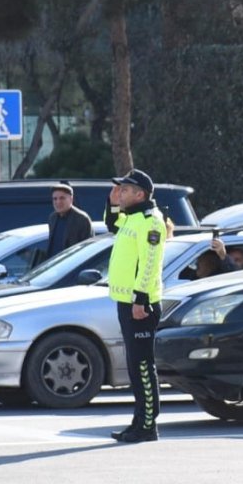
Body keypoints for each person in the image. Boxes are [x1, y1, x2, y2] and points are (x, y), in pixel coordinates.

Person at [106, 169, 167, 444]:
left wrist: (140, 300)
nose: (122, 194)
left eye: (126, 190)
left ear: (140, 194)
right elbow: (111, 224)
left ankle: (148, 425)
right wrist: (111, 201)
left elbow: (150, 264)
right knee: (134, 364)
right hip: (126, 302)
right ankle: (139, 421)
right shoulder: (131, 218)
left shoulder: (150, 222)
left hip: (140, 304)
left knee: (143, 365)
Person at [46, 183, 94, 259]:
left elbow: (87, 249)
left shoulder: (82, 219)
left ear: (71, 199)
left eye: (62, 198)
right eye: (55, 199)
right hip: (54, 265)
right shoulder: (52, 218)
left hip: (72, 266)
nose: (58, 202)